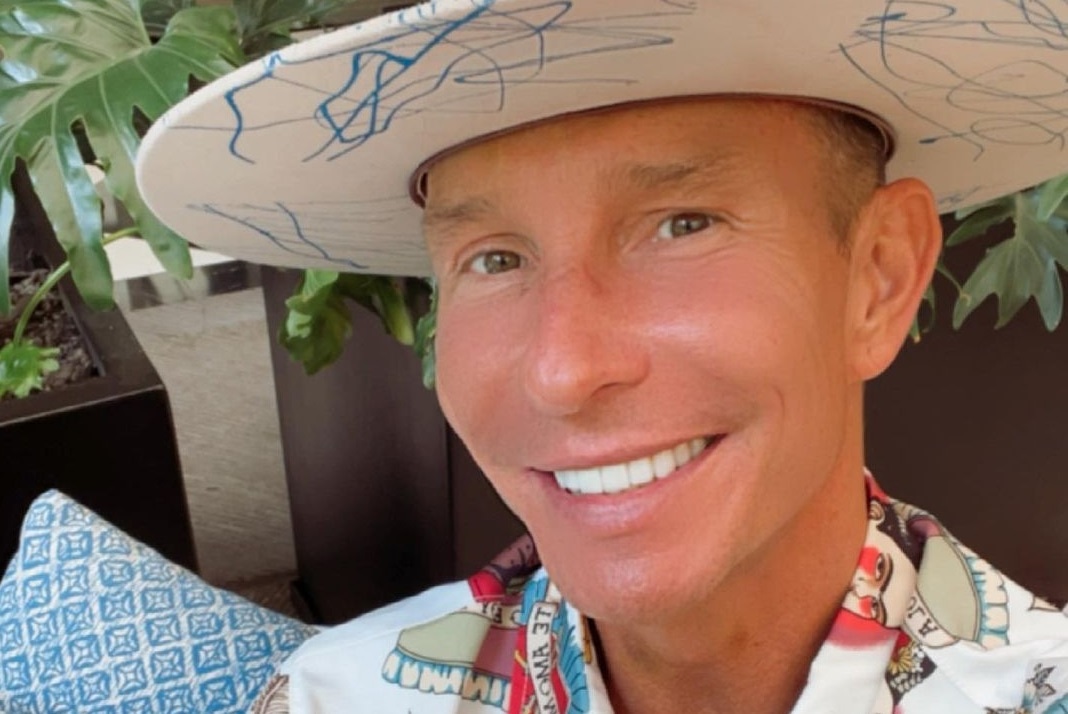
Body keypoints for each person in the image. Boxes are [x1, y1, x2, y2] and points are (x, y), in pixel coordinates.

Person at [136, 1, 1068, 711]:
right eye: (494, 259)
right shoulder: (341, 696)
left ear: (877, 277)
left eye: (683, 224)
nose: (562, 370)